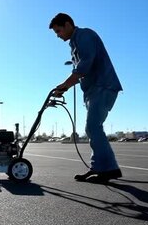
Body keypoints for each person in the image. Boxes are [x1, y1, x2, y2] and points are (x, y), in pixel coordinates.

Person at [49, 13, 123, 183]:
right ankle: (103, 168)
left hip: (103, 86)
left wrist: (65, 85)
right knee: (93, 128)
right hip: (92, 90)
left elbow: (84, 66)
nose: (58, 36)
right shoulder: (74, 43)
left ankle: (107, 169)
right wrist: (64, 87)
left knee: (93, 127)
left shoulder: (85, 35)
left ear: (67, 24)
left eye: (58, 31)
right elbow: (80, 72)